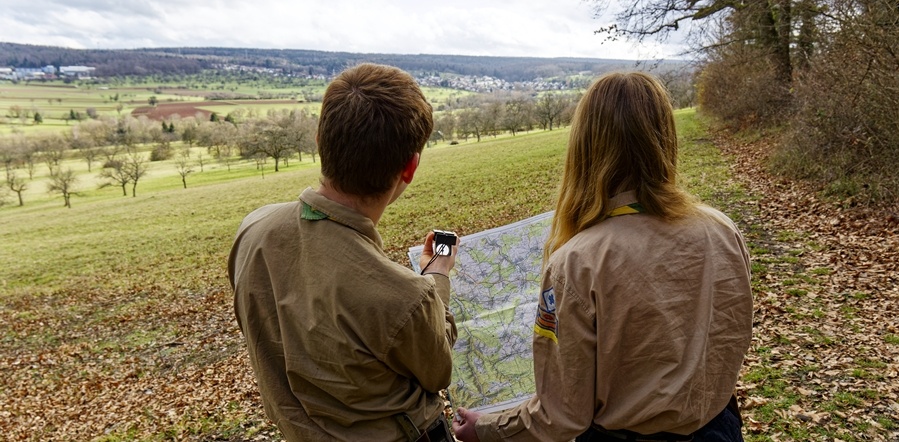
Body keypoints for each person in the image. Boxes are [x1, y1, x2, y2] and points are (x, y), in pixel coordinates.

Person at [452, 71, 753, 442]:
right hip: (720, 430)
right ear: (665, 137)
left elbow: (561, 415)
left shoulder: (577, 263)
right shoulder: (721, 230)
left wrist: (485, 428)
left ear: (585, 146)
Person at [228, 63, 458, 441]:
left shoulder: (254, 230)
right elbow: (438, 367)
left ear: (320, 141)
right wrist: (437, 276)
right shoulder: (405, 297)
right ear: (410, 167)